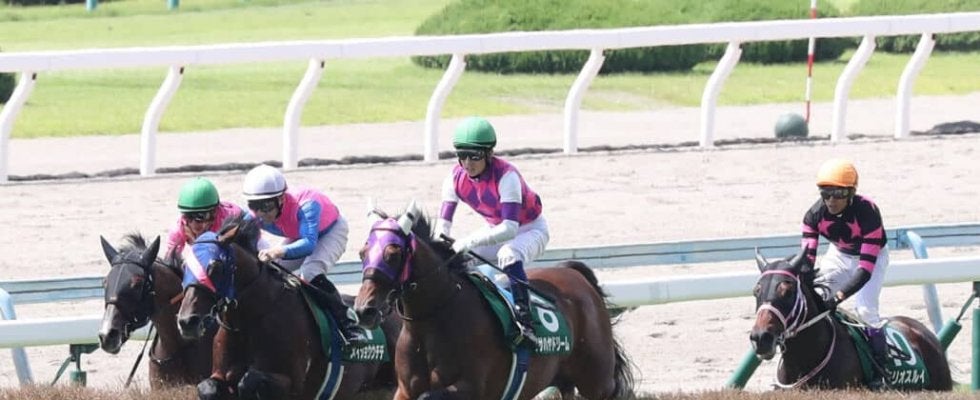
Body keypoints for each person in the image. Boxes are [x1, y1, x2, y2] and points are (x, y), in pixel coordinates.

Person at [435, 116, 549, 348]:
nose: (468, 163)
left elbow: (509, 228)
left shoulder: (507, 177)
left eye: (475, 156)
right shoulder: (453, 179)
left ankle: (525, 321)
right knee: (457, 259)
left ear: (489, 153)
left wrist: (468, 241)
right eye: (462, 155)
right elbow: (442, 226)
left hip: (530, 230)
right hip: (496, 229)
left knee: (508, 254)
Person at [241, 164, 368, 346]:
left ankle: (349, 325)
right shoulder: (255, 215)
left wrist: (276, 251)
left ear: (281, 199)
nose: (261, 213)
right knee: (272, 270)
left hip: (330, 232)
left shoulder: (307, 205)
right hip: (299, 234)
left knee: (310, 272)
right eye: (254, 206)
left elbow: (309, 244)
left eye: (266, 206)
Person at [801, 158, 889, 390]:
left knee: (866, 310)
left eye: (838, 193)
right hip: (839, 254)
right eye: (825, 193)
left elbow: (865, 271)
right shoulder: (813, 216)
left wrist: (839, 297)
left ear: (851, 193)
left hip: (872, 258)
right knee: (817, 299)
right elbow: (807, 263)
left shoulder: (868, 211)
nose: (831, 200)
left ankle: (881, 372)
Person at [166, 177, 248, 258]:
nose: (204, 225)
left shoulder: (227, 218)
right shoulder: (177, 230)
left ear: (215, 211)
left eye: (210, 217)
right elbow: (170, 258)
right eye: (198, 220)